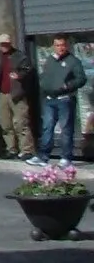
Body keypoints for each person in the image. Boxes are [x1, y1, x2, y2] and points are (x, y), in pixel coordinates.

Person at [36, 34, 87, 165]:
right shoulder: (50, 60)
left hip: (65, 99)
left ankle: (66, 157)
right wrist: (43, 86)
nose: (60, 48)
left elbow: (81, 79)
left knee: (66, 129)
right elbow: (44, 76)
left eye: (62, 45)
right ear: (53, 46)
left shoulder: (73, 61)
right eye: (57, 45)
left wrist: (67, 86)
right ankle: (43, 156)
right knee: (47, 127)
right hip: (49, 99)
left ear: (67, 46)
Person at [0, 34, 37, 161]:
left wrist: (19, 75)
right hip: (2, 94)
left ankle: (26, 150)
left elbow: (28, 70)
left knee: (21, 122)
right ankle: (11, 149)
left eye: (6, 44)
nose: (4, 46)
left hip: (17, 93)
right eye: (2, 44)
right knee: (5, 124)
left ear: (10, 43)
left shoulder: (20, 56)